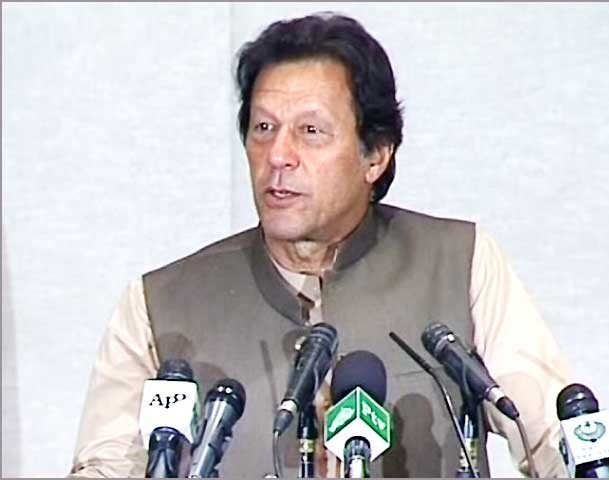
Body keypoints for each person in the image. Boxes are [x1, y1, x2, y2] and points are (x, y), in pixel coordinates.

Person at [70, 12, 572, 478]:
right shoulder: (161, 304)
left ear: (375, 155)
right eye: (263, 128)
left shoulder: (459, 263)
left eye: (310, 131)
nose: (278, 155)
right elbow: (104, 467)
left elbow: (554, 442)